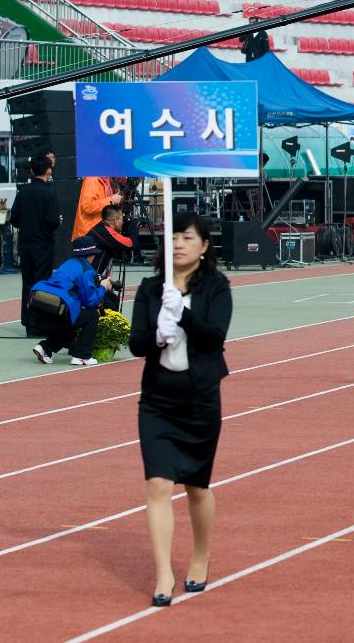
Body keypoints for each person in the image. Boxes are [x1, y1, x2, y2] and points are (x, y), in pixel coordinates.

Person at [128, 211, 232, 606]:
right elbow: (136, 343)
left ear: (204, 246)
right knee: (157, 484)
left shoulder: (217, 287)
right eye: (173, 237)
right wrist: (158, 333)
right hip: (157, 401)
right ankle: (162, 574)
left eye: (187, 237)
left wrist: (184, 314)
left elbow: (215, 337)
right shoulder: (151, 288)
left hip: (200, 400)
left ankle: (201, 557)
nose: (178, 244)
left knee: (196, 487)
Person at [29, 235, 113, 365]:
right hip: (58, 314)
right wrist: (103, 287)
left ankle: (45, 348)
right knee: (90, 315)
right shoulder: (86, 270)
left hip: (40, 314)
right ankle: (82, 356)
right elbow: (90, 301)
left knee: (71, 320)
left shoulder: (68, 264)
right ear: (90, 255)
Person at [10, 154, 61, 336]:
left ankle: (29, 323)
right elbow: (52, 220)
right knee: (43, 283)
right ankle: (41, 323)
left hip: (26, 244)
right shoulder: (49, 192)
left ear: (32, 170)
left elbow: (14, 218)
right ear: (48, 170)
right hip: (43, 244)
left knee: (28, 283)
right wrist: (58, 221)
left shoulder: (23, 192)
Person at [90, 203, 134, 281]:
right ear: (115, 220)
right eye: (122, 219)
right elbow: (130, 244)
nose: (123, 222)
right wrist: (134, 228)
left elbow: (122, 254)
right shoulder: (106, 232)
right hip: (89, 279)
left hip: (89, 274)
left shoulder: (101, 227)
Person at [74, 176, 123, 240]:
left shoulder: (107, 180)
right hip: (88, 235)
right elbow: (87, 206)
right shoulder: (92, 179)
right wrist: (111, 200)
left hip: (96, 233)